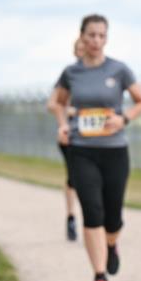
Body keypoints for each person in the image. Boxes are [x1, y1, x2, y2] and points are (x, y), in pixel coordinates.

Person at [49, 15, 141, 281]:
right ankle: (99, 275)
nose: (96, 40)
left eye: (101, 35)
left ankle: (111, 244)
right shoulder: (71, 73)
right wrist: (63, 124)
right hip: (82, 150)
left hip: (115, 151)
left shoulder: (119, 70)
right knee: (92, 211)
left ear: (107, 38)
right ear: (82, 36)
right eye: (91, 35)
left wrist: (123, 118)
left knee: (113, 217)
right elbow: (57, 103)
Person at [47, 38, 85, 242]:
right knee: (74, 178)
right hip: (71, 135)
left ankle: (97, 219)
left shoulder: (102, 73)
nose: (83, 51)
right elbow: (52, 104)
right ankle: (71, 216)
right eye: (79, 48)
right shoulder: (70, 75)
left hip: (97, 138)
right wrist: (69, 112)